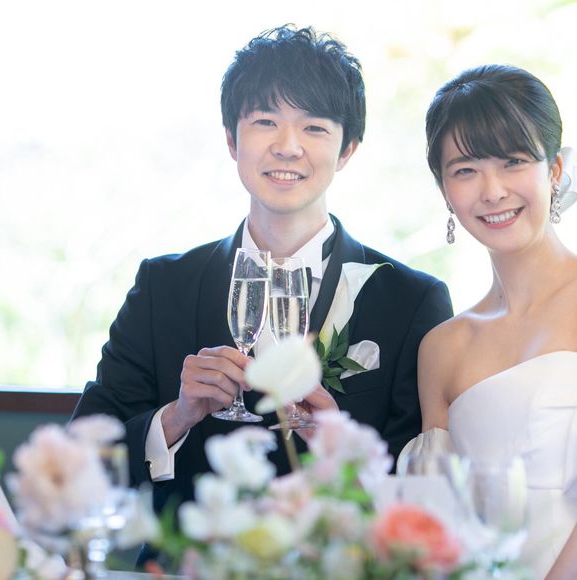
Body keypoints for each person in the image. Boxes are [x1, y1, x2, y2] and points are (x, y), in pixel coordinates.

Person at [72, 25, 452, 524]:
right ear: (232, 140)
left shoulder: (411, 301)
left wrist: (339, 449)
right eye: (265, 121)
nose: (288, 146)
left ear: (348, 149)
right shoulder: (163, 287)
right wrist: (177, 417)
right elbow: (80, 465)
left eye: (314, 127)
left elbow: (421, 502)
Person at [411, 64, 577, 579]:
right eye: (465, 170)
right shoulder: (443, 348)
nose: (493, 191)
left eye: (513, 161)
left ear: (554, 169)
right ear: (444, 190)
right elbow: (433, 524)